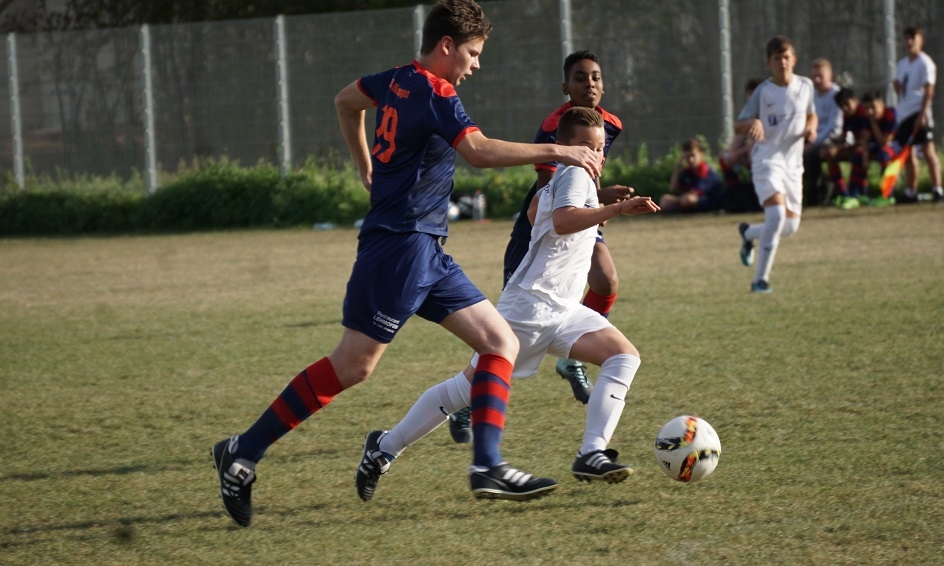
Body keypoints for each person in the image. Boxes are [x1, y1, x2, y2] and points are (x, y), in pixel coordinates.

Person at [210, 0, 604, 528]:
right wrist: (559, 152)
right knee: (353, 366)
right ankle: (242, 450)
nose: (475, 64)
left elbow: (346, 101)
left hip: (426, 250)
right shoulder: (436, 91)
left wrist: (364, 166)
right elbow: (480, 151)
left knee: (500, 342)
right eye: (472, 52)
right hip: (400, 247)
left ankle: (487, 464)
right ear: (446, 47)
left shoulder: (395, 80)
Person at [354, 107, 660, 503]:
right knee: (466, 387)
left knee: (624, 357)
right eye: (586, 146)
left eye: (600, 148)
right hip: (531, 306)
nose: (595, 155)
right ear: (564, 148)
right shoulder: (574, 173)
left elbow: (539, 214)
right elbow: (565, 221)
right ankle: (384, 447)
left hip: (564, 307)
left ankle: (593, 454)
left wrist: (594, 203)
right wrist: (614, 210)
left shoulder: (568, 180)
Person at [447, 50, 633, 443]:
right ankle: (464, 404)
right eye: (580, 79)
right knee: (508, 341)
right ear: (566, 88)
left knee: (607, 281)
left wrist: (599, 196)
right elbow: (549, 196)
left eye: (596, 78)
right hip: (544, 230)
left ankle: (570, 360)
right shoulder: (553, 127)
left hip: (580, 213)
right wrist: (604, 206)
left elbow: (583, 179)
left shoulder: (610, 124)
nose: (590, 85)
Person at [735, 35, 817, 294]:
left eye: (786, 57)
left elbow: (811, 114)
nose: (782, 62)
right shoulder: (764, 91)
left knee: (789, 227)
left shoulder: (805, 86)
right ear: (769, 62)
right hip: (766, 161)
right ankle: (761, 280)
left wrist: (812, 128)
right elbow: (739, 124)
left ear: (794, 59)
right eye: (776, 58)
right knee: (776, 216)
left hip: (793, 165)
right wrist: (753, 123)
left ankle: (749, 234)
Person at [893, 26, 943, 203]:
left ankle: (938, 190)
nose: (909, 42)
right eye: (906, 38)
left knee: (928, 151)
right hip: (905, 113)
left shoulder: (925, 63)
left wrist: (922, 114)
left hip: (919, 112)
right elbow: (899, 86)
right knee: (908, 153)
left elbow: (929, 90)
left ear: (921, 40)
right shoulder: (901, 64)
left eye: (913, 38)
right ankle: (910, 192)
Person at [825, 89, 899, 209]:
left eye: (847, 104)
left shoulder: (871, 114)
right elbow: (854, 140)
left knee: (882, 154)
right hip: (872, 146)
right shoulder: (853, 115)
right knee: (846, 155)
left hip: (894, 146)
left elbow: (881, 142)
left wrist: (872, 123)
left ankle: (887, 195)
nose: (845, 108)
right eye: (841, 106)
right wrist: (835, 147)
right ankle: (850, 195)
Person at [802, 58, 843, 207]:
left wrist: (813, 143)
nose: (817, 80)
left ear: (830, 75)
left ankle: (816, 193)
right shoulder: (811, 95)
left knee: (812, 155)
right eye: (814, 77)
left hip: (833, 139)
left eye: (821, 76)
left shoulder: (836, 94)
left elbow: (834, 127)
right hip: (814, 138)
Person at [719, 78, 763, 214]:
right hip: (751, 155)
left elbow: (757, 144)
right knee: (724, 158)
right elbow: (739, 138)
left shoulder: (768, 115)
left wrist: (736, 154)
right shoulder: (748, 116)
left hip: (766, 156)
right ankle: (735, 200)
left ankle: (758, 199)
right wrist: (729, 154)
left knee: (753, 155)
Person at [658, 138, 725, 213]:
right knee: (664, 199)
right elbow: (672, 188)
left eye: (693, 156)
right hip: (686, 199)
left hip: (710, 201)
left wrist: (676, 200)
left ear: (700, 154)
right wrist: (678, 165)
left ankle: (677, 208)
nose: (691, 160)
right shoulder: (688, 171)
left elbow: (694, 193)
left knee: (688, 199)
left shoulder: (706, 171)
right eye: (688, 157)